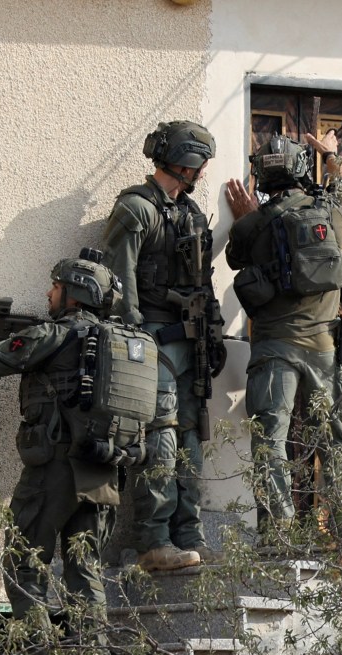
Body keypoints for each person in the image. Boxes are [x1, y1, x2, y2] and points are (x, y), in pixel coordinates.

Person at [0, 256, 136, 655]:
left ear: (74, 293)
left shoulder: (54, 335)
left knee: (22, 563)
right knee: (84, 569)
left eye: (55, 287)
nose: (48, 293)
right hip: (103, 469)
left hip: (55, 468)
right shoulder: (118, 341)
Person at [102, 119, 226, 574]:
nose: (204, 171)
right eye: (202, 162)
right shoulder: (136, 209)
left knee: (191, 436)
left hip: (190, 341)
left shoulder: (190, 214)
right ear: (185, 162)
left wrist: (214, 330)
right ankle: (153, 540)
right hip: (152, 342)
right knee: (161, 438)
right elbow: (120, 284)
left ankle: (188, 534)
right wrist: (133, 341)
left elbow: (204, 282)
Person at [223, 132, 342, 533]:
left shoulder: (251, 225)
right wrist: (331, 156)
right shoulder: (330, 212)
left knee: (270, 440)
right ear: (302, 168)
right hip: (323, 347)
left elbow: (235, 256)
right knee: (334, 439)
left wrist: (248, 216)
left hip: (273, 349)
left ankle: (277, 536)